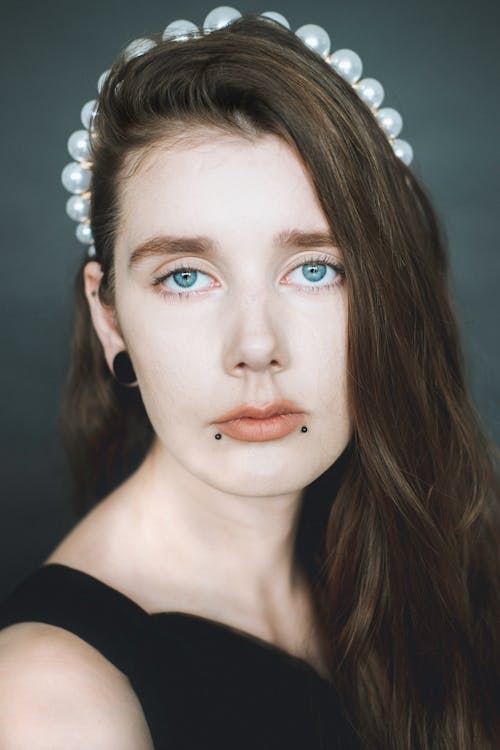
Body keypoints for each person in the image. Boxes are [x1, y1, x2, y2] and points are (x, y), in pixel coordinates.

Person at [0, 7, 498, 749]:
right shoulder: (50, 699)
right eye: (187, 276)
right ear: (109, 318)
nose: (257, 346)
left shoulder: (418, 562)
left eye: (315, 269)